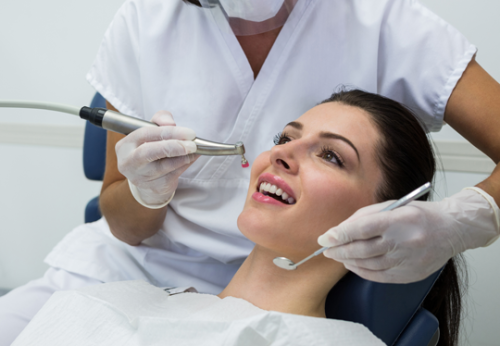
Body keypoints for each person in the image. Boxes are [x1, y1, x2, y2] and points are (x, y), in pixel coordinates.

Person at [1, 0, 499, 343]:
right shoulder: (144, 25)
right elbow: (126, 226)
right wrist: (144, 193)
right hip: (121, 280)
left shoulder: (384, 22)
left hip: (268, 301)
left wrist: (466, 220)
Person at [13, 91, 465, 346]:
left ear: (385, 218)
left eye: (330, 155)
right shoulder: (137, 298)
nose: (282, 153)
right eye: (285, 136)